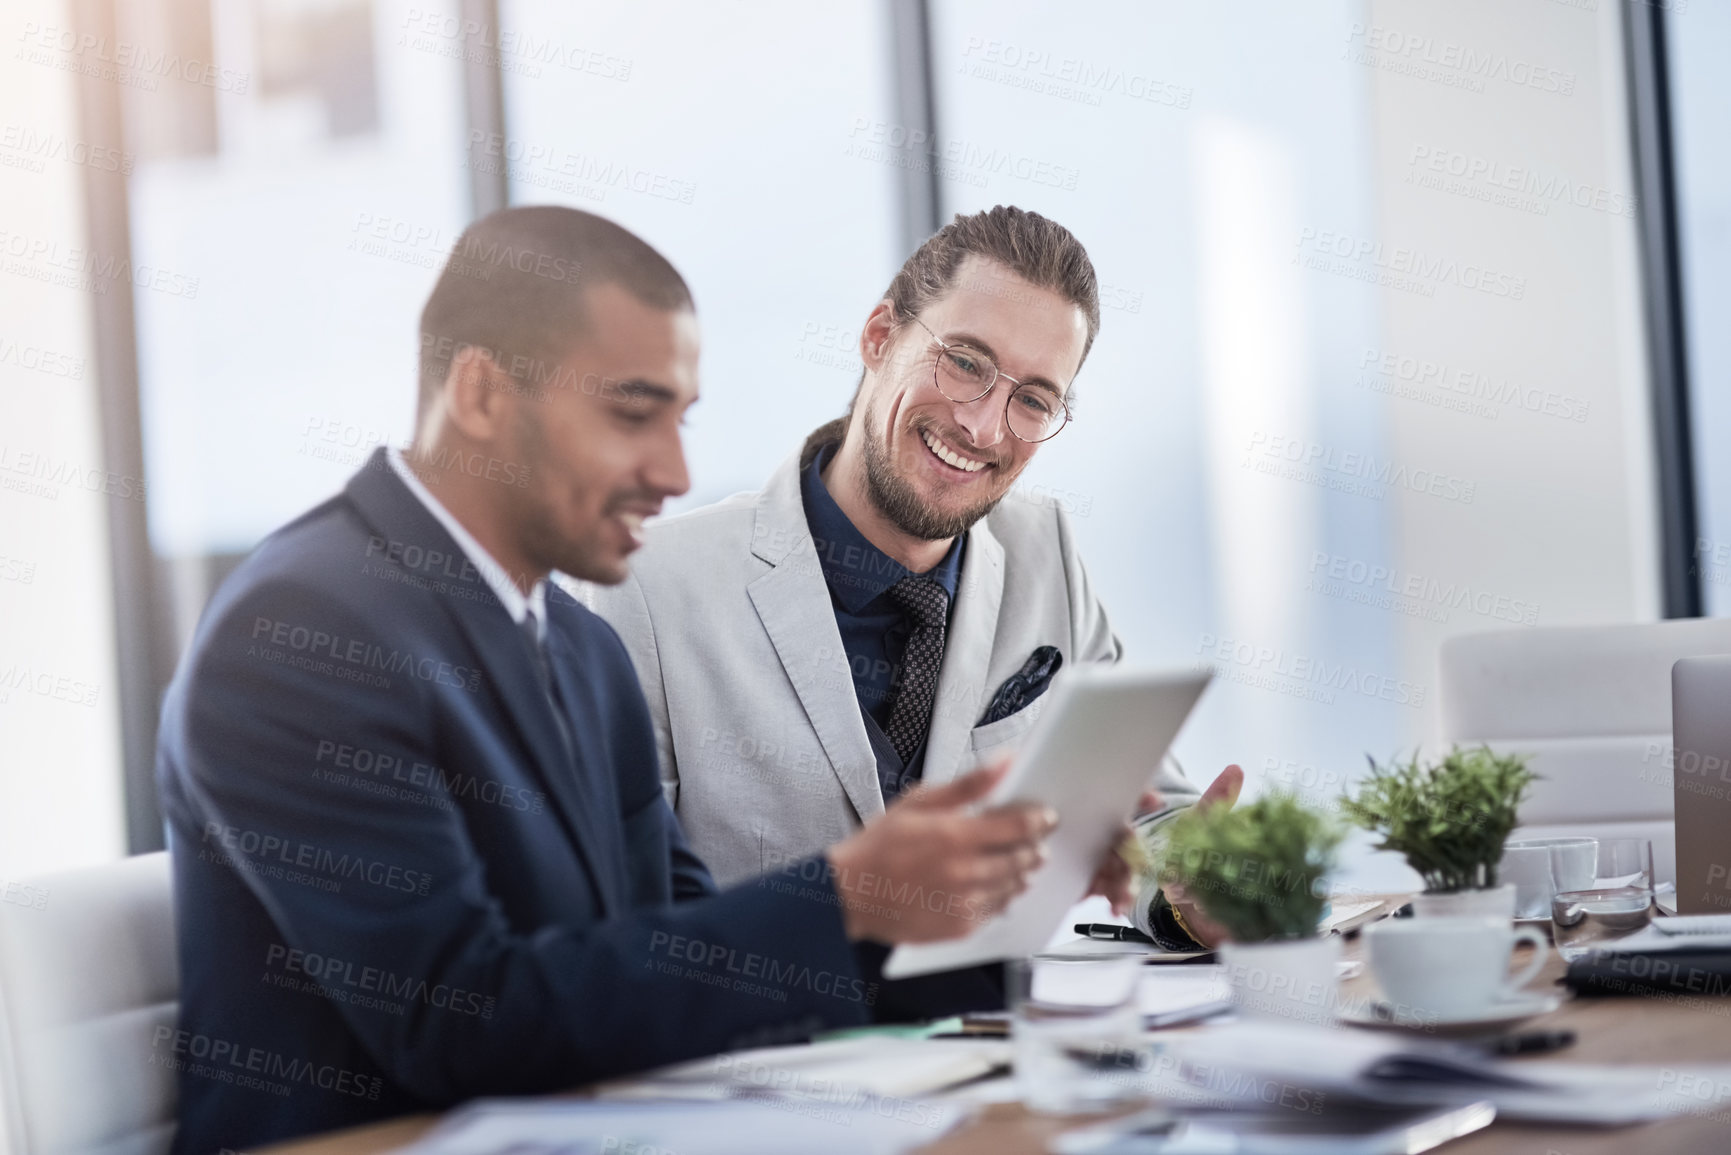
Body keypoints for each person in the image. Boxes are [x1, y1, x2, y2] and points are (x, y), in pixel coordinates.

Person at [155, 206, 1070, 1155]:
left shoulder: (580, 651)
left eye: (681, 421)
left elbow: (678, 961)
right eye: (632, 414)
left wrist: (979, 910)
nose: (674, 473)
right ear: (479, 394)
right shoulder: (305, 629)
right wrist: (845, 896)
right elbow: (455, 1023)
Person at [589, 207, 1242, 1006]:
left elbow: (1145, 809)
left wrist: (1186, 886)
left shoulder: (1045, 551)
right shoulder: (652, 589)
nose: (981, 424)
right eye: (965, 361)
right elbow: (618, 932)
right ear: (877, 338)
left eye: (1033, 400)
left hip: (995, 1073)